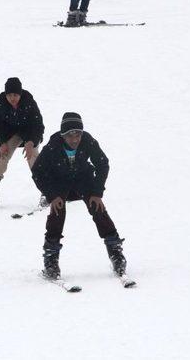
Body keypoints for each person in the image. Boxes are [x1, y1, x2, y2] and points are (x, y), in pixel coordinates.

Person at [31, 112, 128, 280]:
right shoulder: (53, 145)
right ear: (63, 136)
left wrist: (97, 193)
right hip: (59, 182)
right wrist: (52, 195)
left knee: (98, 208)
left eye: (78, 134)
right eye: (70, 135)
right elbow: (38, 172)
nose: (75, 139)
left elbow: (103, 163)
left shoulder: (88, 140)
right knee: (57, 211)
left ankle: (115, 253)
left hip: (83, 179)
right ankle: (51, 260)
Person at [0, 78, 45, 212]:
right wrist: (2, 143)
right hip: (11, 134)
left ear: (20, 94)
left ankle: (47, 190)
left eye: (15, 95)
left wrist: (31, 141)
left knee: (32, 156)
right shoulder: (0, 104)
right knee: (2, 157)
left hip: (30, 132)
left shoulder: (29, 102)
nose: (12, 98)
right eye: (9, 95)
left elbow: (38, 125)